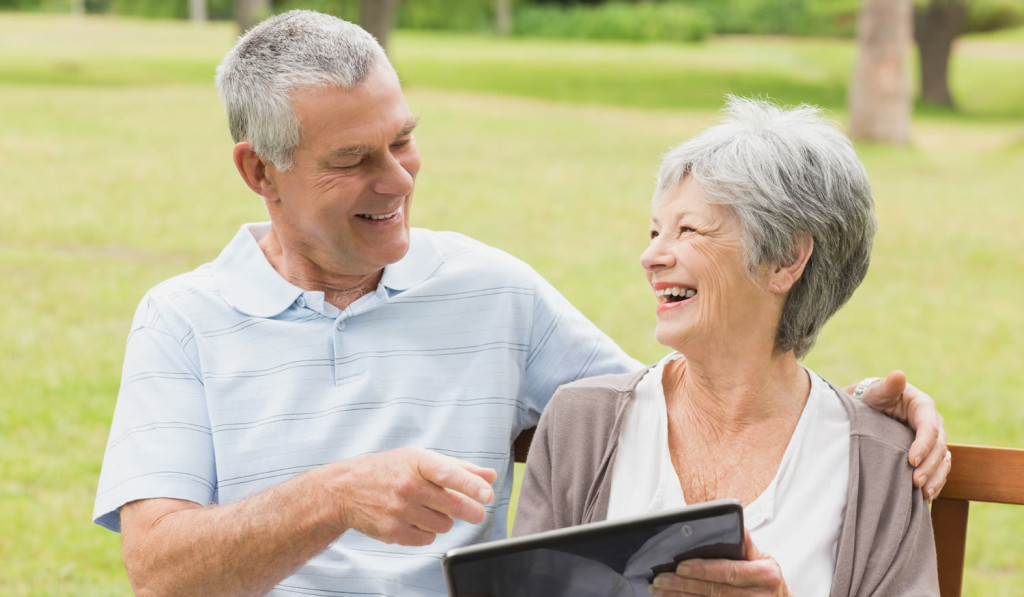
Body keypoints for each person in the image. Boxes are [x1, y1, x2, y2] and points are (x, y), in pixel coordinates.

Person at [92, 11, 948, 597]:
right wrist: (333, 496)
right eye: (354, 160)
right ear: (259, 172)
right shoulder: (183, 320)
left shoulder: (491, 292)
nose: (398, 181)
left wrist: (863, 407)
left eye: (405, 139)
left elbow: (690, 395)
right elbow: (160, 568)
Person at [513, 97, 942, 596]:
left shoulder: (881, 462)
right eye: (655, 231)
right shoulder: (581, 425)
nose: (650, 256)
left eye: (687, 230)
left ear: (784, 259)